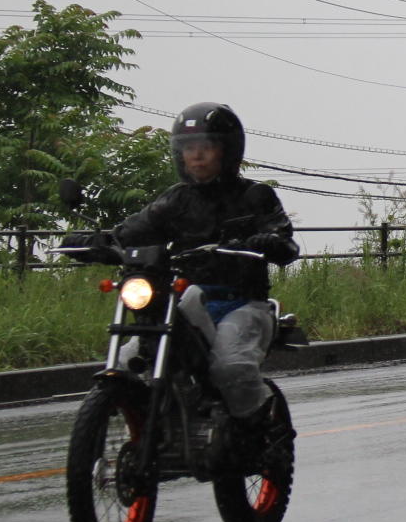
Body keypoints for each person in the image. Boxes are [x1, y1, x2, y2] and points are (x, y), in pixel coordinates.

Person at [65, 102, 301, 446]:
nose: (197, 157)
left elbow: (284, 239)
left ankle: (260, 432)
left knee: (229, 367)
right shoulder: (175, 199)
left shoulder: (255, 196)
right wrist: (95, 242)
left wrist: (271, 241)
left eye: (205, 148)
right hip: (184, 298)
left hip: (240, 303)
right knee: (127, 358)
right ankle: (148, 427)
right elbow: (132, 231)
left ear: (227, 151)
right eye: (189, 149)